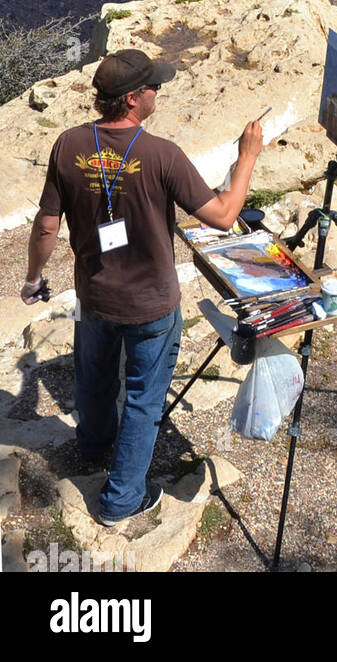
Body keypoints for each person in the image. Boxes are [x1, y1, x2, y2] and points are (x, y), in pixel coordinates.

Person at [21, 47, 264, 526]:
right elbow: (224, 216)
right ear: (133, 98)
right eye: (154, 87)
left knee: (94, 378)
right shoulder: (162, 155)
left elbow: (47, 224)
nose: (159, 92)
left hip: (94, 296)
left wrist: (33, 279)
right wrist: (247, 157)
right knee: (142, 400)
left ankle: (92, 448)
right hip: (151, 305)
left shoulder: (69, 144)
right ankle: (120, 500)